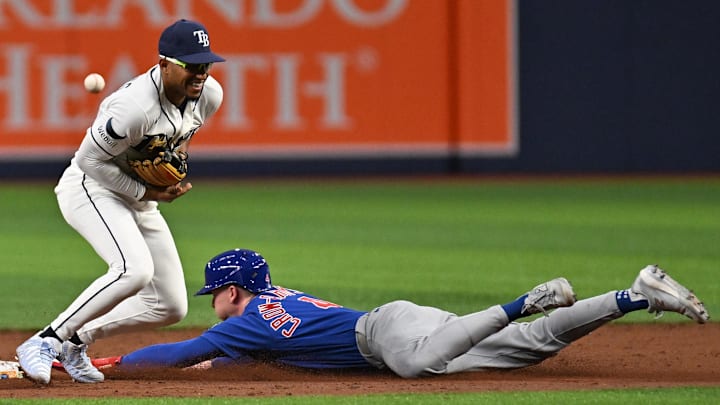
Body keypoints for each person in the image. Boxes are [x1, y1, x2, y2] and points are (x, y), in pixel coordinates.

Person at [78, 248, 708, 379]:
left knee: (416, 365)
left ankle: (529, 299)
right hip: (393, 323)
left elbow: (186, 350)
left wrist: (116, 363)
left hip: (385, 334)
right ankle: (634, 295)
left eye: (213, 292)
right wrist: (209, 364)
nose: (210, 303)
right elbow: (216, 355)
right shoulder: (261, 314)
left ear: (233, 291)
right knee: (524, 350)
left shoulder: (246, 319)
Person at [16, 19, 225, 385]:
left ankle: (76, 341)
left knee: (170, 304)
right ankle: (45, 341)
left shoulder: (209, 95)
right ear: (163, 64)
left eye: (205, 63)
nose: (200, 72)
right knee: (134, 269)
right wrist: (147, 191)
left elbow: (181, 137)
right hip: (90, 189)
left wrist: (170, 165)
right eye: (190, 64)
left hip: (137, 194)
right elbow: (87, 161)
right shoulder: (132, 108)